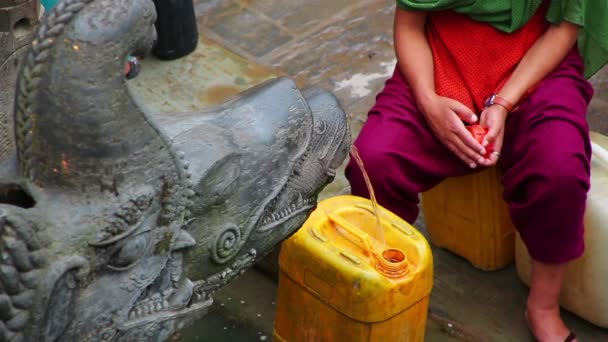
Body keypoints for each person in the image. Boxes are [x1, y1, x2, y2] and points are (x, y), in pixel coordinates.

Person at [345, 1, 607, 341]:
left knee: (559, 169)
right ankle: (387, 283)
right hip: (443, 54)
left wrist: (503, 102)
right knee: (375, 160)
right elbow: (410, 25)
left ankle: (543, 306)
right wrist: (428, 100)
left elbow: (566, 27)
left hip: (539, 62)